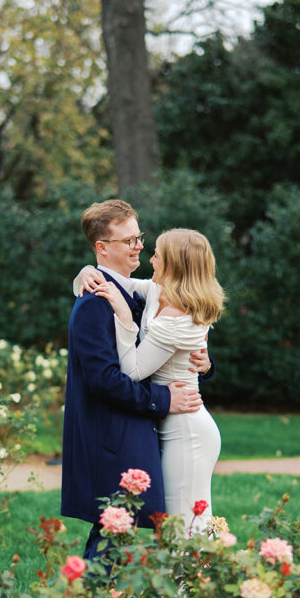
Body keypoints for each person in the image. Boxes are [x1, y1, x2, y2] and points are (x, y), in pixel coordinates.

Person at [61, 201, 209, 562]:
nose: (138, 246)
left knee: (119, 531)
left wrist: (204, 365)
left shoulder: (136, 291)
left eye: (139, 237)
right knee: (113, 530)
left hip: (134, 433)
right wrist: (163, 399)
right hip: (112, 438)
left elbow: (169, 344)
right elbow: (105, 380)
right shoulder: (96, 301)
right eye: (128, 240)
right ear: (102, 248)